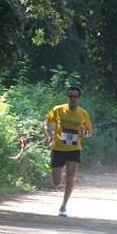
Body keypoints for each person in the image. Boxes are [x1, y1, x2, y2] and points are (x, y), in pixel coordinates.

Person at [43, 86, 92, 217]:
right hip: (58, 149)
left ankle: (63, 206)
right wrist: (48, 134)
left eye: (75, 97)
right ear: (67, 98)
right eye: (70, 96)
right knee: (56, 183)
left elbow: (89, 130)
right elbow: (46, 121)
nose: (73, 99)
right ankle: (62, 170)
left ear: (79, 99)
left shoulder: (83, 114)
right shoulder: (58, 110)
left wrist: (84, 133)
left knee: (70, 178)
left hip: (74, 149)